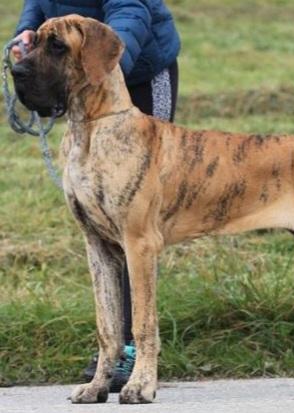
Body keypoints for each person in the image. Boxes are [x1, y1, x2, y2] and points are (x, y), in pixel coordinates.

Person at [13, 0, 181, 392]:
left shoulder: (105, 56)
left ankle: (134, 351)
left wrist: (100, 64)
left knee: (134, 224)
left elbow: (131, 11)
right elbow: (38, 4)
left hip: (134, 69)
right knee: (102, 226)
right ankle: (112, 351)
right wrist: (27, 35)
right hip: (84, 67)